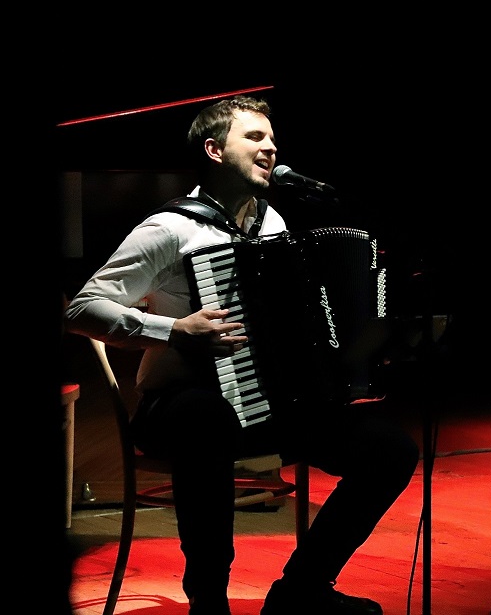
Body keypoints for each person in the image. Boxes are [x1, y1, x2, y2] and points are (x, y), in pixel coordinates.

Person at [64, 96, 418, 615]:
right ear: (213, 150)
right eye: (254, 137)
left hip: (266, 404)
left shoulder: (273, 224)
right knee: (206, 420)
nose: (270, 147)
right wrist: (173, 329)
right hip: (178, 403)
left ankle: (302, 588)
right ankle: (209, 599)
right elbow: (81, 308)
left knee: (390, 450)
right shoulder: (170, 228)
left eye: (272, 138)